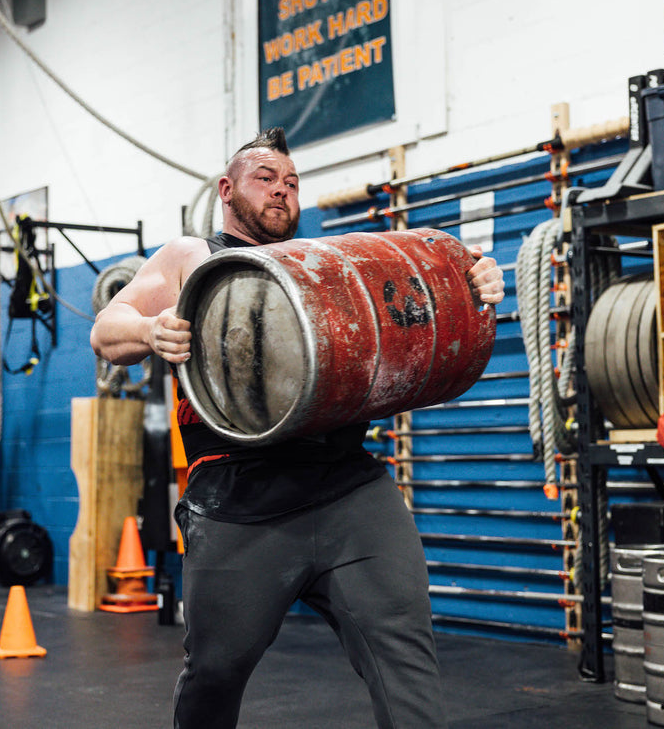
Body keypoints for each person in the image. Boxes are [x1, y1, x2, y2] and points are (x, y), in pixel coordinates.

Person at [90, 127, 505, 729]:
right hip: (240, 506)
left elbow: (417, 302)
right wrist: (151, 331)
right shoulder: (193, 258)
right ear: (228, 191)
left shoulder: (321, 270)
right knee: (214, 674)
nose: (282, 192)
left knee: (405, 657)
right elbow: (106, 329)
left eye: (291, 183)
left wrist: (471, 284)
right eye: (266, 179)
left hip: (348, 492)